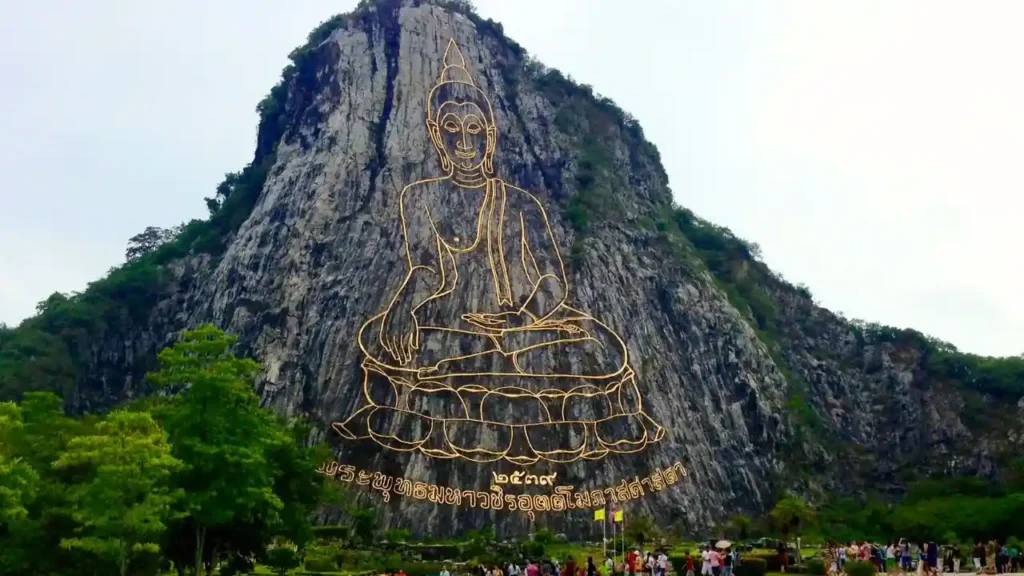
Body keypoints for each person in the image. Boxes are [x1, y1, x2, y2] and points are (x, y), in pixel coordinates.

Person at [332, 38, 665, 466]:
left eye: (475, 130)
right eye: (451, 129)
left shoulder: (521, 201)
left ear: (490, 135)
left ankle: (472, 384)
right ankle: (487, 387)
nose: (464, 143)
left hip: (521, 327)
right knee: (395, 340)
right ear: (435, 132)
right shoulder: (420, 196)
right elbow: (427, 269)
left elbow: (552, 279)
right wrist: (402, 305)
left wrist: (522, 317)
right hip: (452, 326)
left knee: (598, 345)